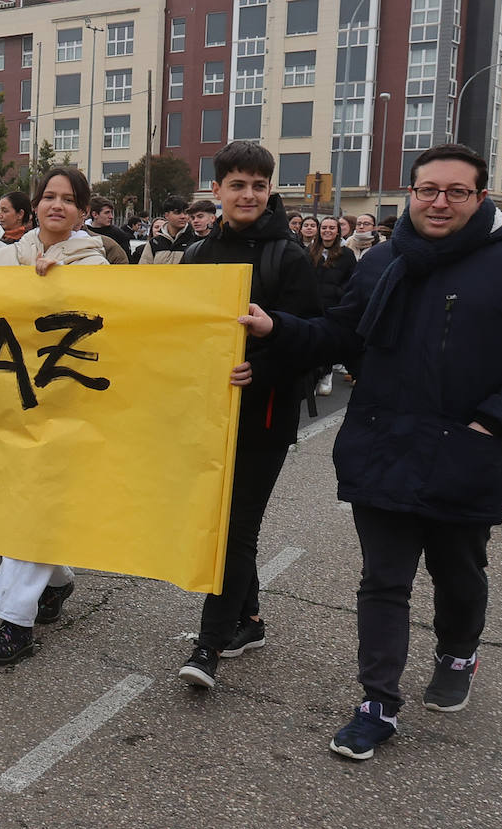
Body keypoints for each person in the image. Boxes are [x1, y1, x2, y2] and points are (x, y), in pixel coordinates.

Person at [238, 143, 502, 759]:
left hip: (467, 451)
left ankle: (458, 650)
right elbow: (338, 333)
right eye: (428, 189)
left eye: (456, 191)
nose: (439, 202)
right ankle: (377, 702)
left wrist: (496, 420)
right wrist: (277, 328)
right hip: (384, 443)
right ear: (410, 195)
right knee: (383, 579)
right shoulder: (380, 263)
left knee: (458, 571)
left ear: (480, 198)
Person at [0, 166, 106, 665]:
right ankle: (57, 583)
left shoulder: (97, 264)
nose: (57, 205)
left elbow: (107, 325)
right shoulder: (7, 257)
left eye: (68, 199)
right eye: (49, 196)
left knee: (32, 504)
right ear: (35, 205)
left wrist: (62, 291)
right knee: (21, 500)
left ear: (81, 211)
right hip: (10, 398)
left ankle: (15, 623)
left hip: (65, 406)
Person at [174, 142, 320, 689]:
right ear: (216, 191)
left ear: (269, 191)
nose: (248, 195)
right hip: (207, 416)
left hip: (263, 418)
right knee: (223, 521)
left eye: (259, 185)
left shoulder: (289, 256)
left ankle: (208, 643)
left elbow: (313, 341)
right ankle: (250, 620)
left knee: (232, 529)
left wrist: (261, 369)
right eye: (237, 184)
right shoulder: (196, 255)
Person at [306, 214, 357, 397]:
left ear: (338, 232)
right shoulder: (310, 251)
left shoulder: (347, 254)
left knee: (327, 342)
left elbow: (352, 280)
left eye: (331, 228)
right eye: (324, 228)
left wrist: (339, 294)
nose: (327, 231)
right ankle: (312, 377)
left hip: (333, 305)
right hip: (312, 304)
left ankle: (326, 375)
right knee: (311, 342)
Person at [138, 196, 194, 264]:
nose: (183, 216)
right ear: (166, 215)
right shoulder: (154, 243)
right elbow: (144, 269)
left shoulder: (194, 240)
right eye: (177, 212)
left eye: (185, 213)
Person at [83, 195, 132, 265]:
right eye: (107, 213)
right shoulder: (82, 233)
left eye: (111, 212)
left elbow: (126, 261)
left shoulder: (119, 234)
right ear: (95, 214)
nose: (111, 217)